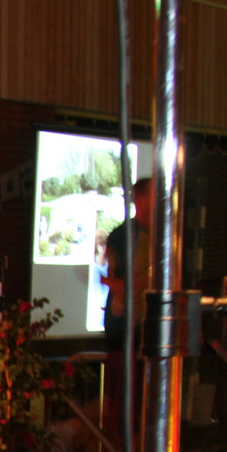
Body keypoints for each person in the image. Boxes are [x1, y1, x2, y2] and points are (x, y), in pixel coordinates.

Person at [100, 178, 153, 426]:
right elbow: (114, 279)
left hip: (150, 329)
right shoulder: (122, 236)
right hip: (124, 329)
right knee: (123, 404)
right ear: (140, 200)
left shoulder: (165, 235)